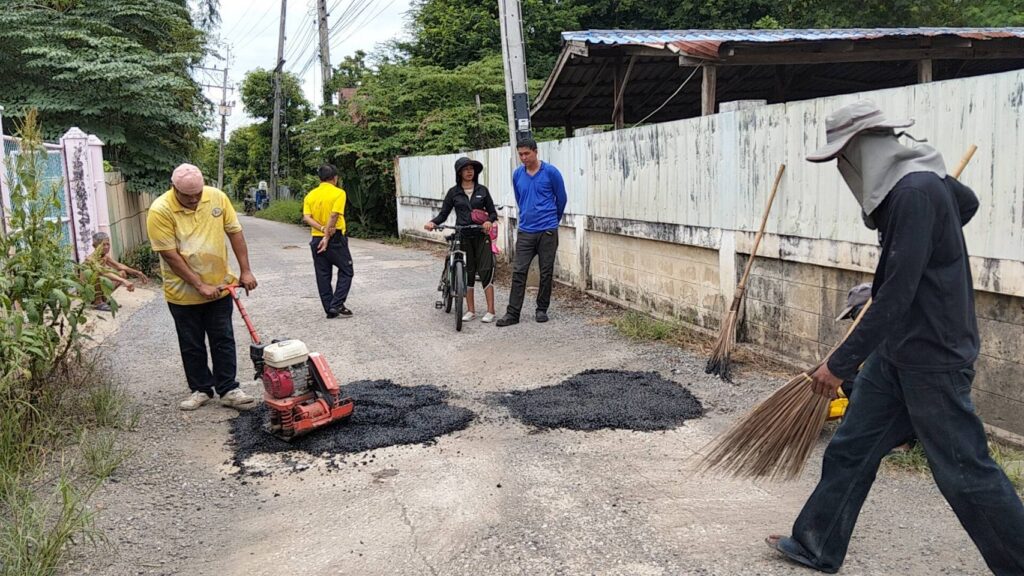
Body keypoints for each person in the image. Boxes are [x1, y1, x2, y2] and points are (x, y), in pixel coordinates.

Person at [767, 100, 1024, 575]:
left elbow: (896, 296)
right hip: (897, 353)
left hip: (933, 355)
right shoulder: (915, 187)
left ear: (863, 149)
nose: (843, 168)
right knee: (851, 447)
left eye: (844, 157)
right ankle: (816, 544)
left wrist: (839, 364)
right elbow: (967, 203)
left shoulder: (915, 192)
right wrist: (924, 248)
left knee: (964, 472)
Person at [146, 164, 258, 411]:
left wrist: (245, 270)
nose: (194, 199)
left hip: (220, 285)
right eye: (188, 195)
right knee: (191, 342)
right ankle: (201, 389)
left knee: (223, 338)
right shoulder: (160, 210)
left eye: (198, 193)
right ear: (174, 188)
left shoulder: (217, 197)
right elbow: (170, 255)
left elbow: (235, 233)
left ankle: (228, 389)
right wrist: (199, 284)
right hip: (182, 292)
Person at [496, 137, 567, 327]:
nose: (524, 158)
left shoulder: (551, 172)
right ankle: (513, 313)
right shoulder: (518, 174)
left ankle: (541, 309)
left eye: (527, 153)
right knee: (519, 271)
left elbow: (561, 198)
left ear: (536, 151)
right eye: (520, 154)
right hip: (526, 230)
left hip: (547, 230)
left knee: (546, 271)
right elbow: (520, 198)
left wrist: (553, 221)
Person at [424, 157, 499, 323]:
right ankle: (471, 310)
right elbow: (443, 214)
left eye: (472, 168)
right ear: (459, 173)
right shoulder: (453, 192)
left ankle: (491, 311)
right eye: (466, 169)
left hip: (481, 235)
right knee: (468, 272)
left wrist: (488, 221)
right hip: (463, 235)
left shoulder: (482, 190)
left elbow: (493, 212)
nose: (469, 171)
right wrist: (432, 223)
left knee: (486, 271)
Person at [303, 164, 353, 318]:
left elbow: (307, 217)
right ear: (335, 178)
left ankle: (329, 309)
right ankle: (336, 304)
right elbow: (334, 215)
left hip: (316, 238)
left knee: (323, 274)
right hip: (335, 237)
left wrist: (321, 229)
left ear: (320, 178)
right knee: (346, 270)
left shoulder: (310, 195)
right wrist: (327, 235)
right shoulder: (339, 193)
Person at [83, 231, 147, 311]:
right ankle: (98, 302)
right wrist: (124, 281)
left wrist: (137, 273)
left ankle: (104, 298)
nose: (106, 247)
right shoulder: (90, 259)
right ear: (94, 246)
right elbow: (103, 272)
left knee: (122, 273)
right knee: (97, 276)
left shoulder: (105, 256)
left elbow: (119, 266)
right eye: (103, 245)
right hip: (87, 291)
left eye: (108, 244)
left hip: (98, 288)